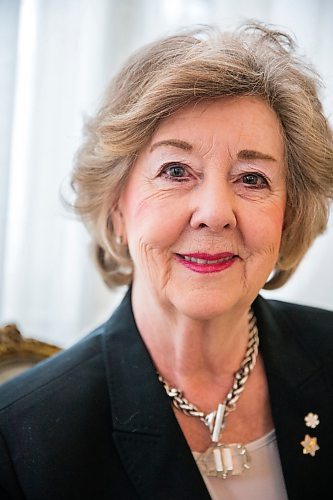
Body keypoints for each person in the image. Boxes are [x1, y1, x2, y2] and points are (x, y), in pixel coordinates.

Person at [0, 21, 333, 500]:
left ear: (290, 216)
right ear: (117, 208)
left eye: (253, 178)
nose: (216, 213)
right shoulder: (21, 437)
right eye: (176, 171)